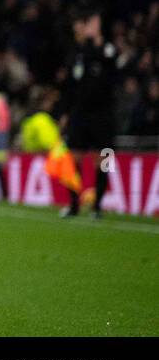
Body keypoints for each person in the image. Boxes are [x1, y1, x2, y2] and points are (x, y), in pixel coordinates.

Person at [57, 12, 120, 218]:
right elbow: (69, 87)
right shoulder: (77, 52)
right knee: (73, 157)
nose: (80, 28)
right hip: (79, 113)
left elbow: (112, 76)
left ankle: (97, 207)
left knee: (103, 159)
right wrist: (65, 112)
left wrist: (96, 42)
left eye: (87, 23)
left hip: (102, 114)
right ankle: (74, 205)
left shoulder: (108, 50)